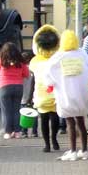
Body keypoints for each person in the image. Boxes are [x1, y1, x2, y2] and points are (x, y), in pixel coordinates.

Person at [47, 30, 88, 161]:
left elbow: (48, 72)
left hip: (65, 93)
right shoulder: (82, 54)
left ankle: (73, 151)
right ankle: (84, 150)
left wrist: (51, 83)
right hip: (81, 93)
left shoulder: (59, 56)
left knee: (70, 122)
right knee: (81, 121)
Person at [29, 25, 62, 154]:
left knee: (43, 120)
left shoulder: (35, 62)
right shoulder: (58, 60)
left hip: (41, 94)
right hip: (55, 93)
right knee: (55, 118)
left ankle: (47, 144)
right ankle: (54, 140)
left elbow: (32, 76)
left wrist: (28, 97)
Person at [0, 42, 31, 140]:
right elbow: (27, 74)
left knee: (6, 111)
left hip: (4, 87)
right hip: (18, 87)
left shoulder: (2, 60)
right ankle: (17, 132)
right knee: (16, 110)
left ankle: (8, 132)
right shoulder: (21, 62)